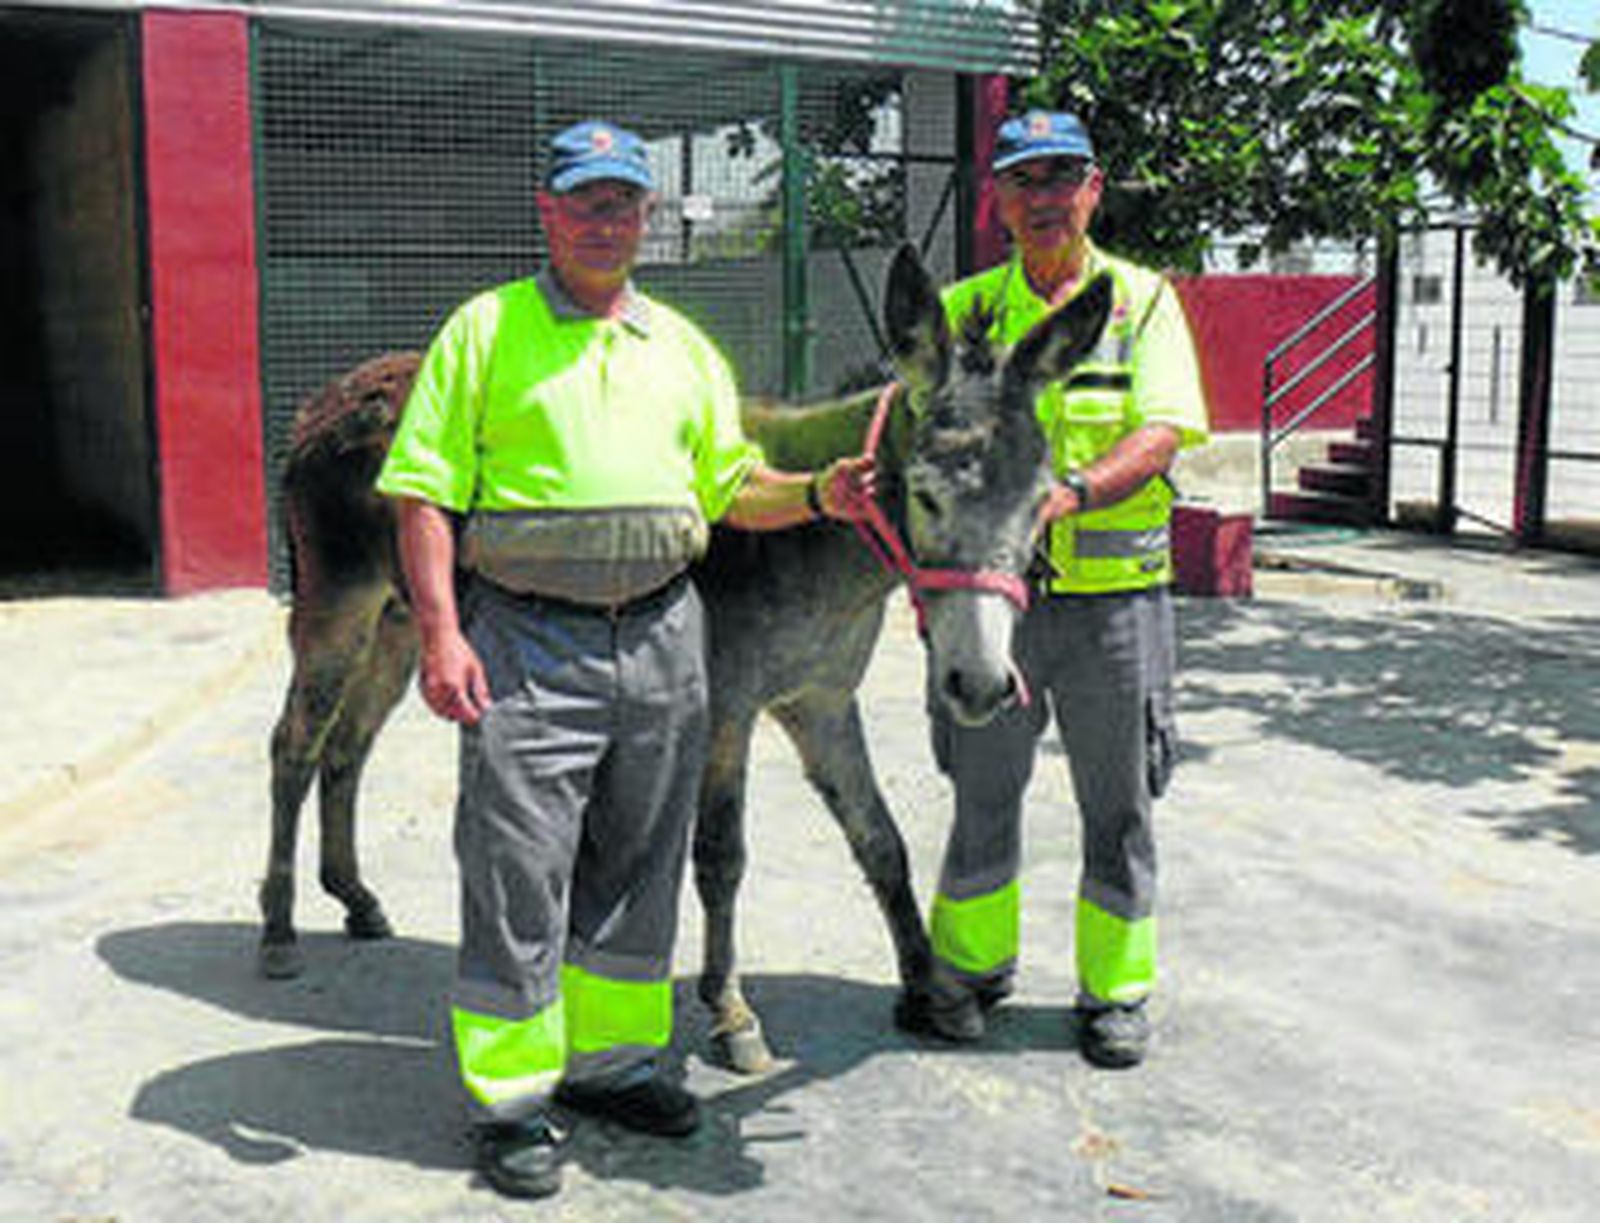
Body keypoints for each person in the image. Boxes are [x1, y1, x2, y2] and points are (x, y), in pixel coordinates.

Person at [375, 119, 872, 1200]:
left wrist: (820, 493)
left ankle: (610, 1066)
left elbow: (730, 486)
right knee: (517, 866)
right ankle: (512, 1097)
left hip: (661, 635)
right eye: (585, 201)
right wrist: (441, 631)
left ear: (649, 217)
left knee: (643, 860)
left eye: (623, 203)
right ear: (548, 212)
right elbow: (422, 490)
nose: (605, 221)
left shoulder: (683, 348)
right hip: (524, 635)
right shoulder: (485, 330)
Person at [924, 110, 1210, 1069]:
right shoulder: (964, 311)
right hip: (990, 603)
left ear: (1093, 190)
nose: (1044, 198)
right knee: (981, 791)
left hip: (1116, 604)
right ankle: (969, 970)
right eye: (1024, 180)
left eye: (1061, 178)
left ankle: (1114, 992)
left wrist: (1069, 494)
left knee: (1118, 804)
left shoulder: (1141, 303)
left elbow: (1161, 432)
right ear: (997, 199)